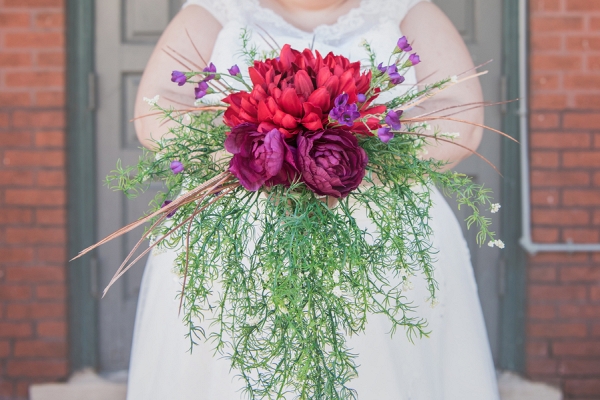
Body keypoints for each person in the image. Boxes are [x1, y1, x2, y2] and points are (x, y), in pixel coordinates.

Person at [127, 0, 500, 398]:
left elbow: (461, 116)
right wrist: (256, 145)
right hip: (234, 239)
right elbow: (155, 110)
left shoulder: (406, 9)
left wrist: (349, 152)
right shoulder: (215, 10)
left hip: (384, 237)